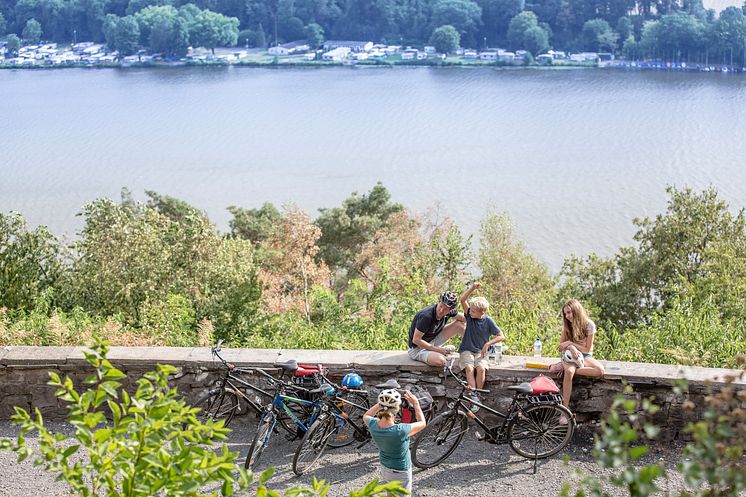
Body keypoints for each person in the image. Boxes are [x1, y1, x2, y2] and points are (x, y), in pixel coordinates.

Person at [549, 299, 605, 421]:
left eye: (569, 312)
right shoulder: (567, 326)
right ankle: (564, 411)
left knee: (599, 370)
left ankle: (562, 367)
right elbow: (560, 347)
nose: (567, 316)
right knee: (569, 372)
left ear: (576, 310)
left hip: (585, 357)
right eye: (565, 314)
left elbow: (587, 349)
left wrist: (570, 343)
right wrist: (570, 346)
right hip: (568, 356)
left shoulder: (589, 325)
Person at [364, 389, 427, 493]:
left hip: (385, 468)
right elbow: (422, 423)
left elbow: (366, 415)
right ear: (396, 410)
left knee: (391, 492)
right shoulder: (400, 430)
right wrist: (415, 403)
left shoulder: (372, 424)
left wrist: (381, 404)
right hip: (401, 472)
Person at [458, 283, 505, 403]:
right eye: (471, 310)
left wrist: (487, 344)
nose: (470, 312)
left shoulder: (488, 321)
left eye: (473, 311)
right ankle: (473, 397)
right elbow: (463, 300)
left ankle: (478, 394)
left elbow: (501, 336)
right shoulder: (469, 316)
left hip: (480, 351)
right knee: (469, 368)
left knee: (481, 369)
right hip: (466, 349)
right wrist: (472, 288)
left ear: (482, 312)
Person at [407, 291, 466, 367]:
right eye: (440, 306)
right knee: (441, 361)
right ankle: (439, 351)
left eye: (445, 309)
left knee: (459, 325)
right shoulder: (426, 316)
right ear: (438, 302)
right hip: (417, 349)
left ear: (450, 310)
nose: (441, 310)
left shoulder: (449, 311)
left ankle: (477, 349)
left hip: (433, 340)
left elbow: (465, 318)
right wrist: (437, 349)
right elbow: (416, 340)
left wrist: (479, 321)